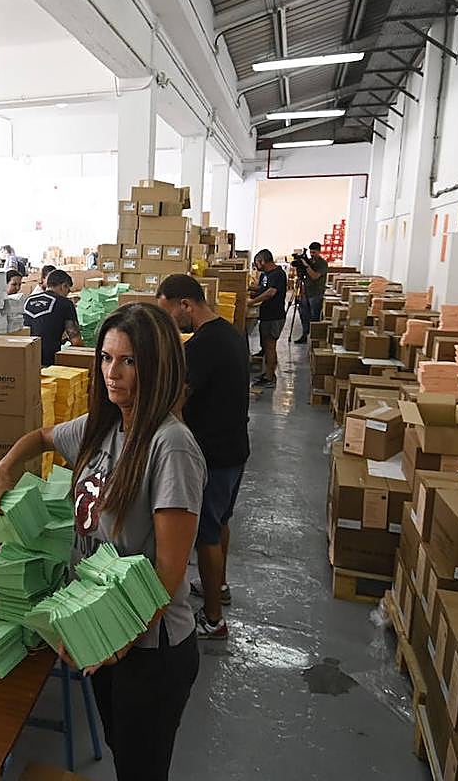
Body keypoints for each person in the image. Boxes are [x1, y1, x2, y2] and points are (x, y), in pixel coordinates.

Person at [0, 303, 204, 781]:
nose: (111, 374)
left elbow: (168, 571)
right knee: (124, 750)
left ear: (156, 366)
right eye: (105, 358)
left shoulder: (171, 446)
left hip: (148, 648)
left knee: (142, 768)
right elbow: (40, 436)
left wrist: (115, 643)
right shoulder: (103, 427)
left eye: (128, 361)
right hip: (102, 630)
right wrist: (5, 467)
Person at [156, 274, 250, 640]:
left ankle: (213, 619)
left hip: (210, 454)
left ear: (186, 305)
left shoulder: (202, 346)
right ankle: (219, 587)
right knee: (221, 521)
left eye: (168, 312)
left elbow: (177, 398)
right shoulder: (229, 333)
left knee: (206, 535)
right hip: (234, 447)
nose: (168, 321)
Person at [23, 269, 83, 366]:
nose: (67, 294)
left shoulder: (28, 299)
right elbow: (76, 341)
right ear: (64, 286)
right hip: (48, 361)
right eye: (68, 290)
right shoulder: (65, 303)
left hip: (24, 356)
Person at [248, 249, 287, 388]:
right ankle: (268, 373)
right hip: (266, 316)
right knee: (265, 346)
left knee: (270, 347)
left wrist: (251, 303)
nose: (256, 265)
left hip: (274, 316)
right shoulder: (266, 274)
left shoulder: (278, 274)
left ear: (263, 261)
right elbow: (263, 288)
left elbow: (270, 293)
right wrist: (248, 288)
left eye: (257, 262)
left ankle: (270, 378)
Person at [293, 241, 328, 344]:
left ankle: (314, 339)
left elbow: (314, 276)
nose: (312, 255)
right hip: (305, 293)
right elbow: (302, 277)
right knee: (304, 314)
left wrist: (306, 266)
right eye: (311, 252)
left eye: (314, 252)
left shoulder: (322, 263)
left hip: (316, 294)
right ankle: (304, 334)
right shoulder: (309, 261)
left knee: (314, 317)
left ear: (319, 252)